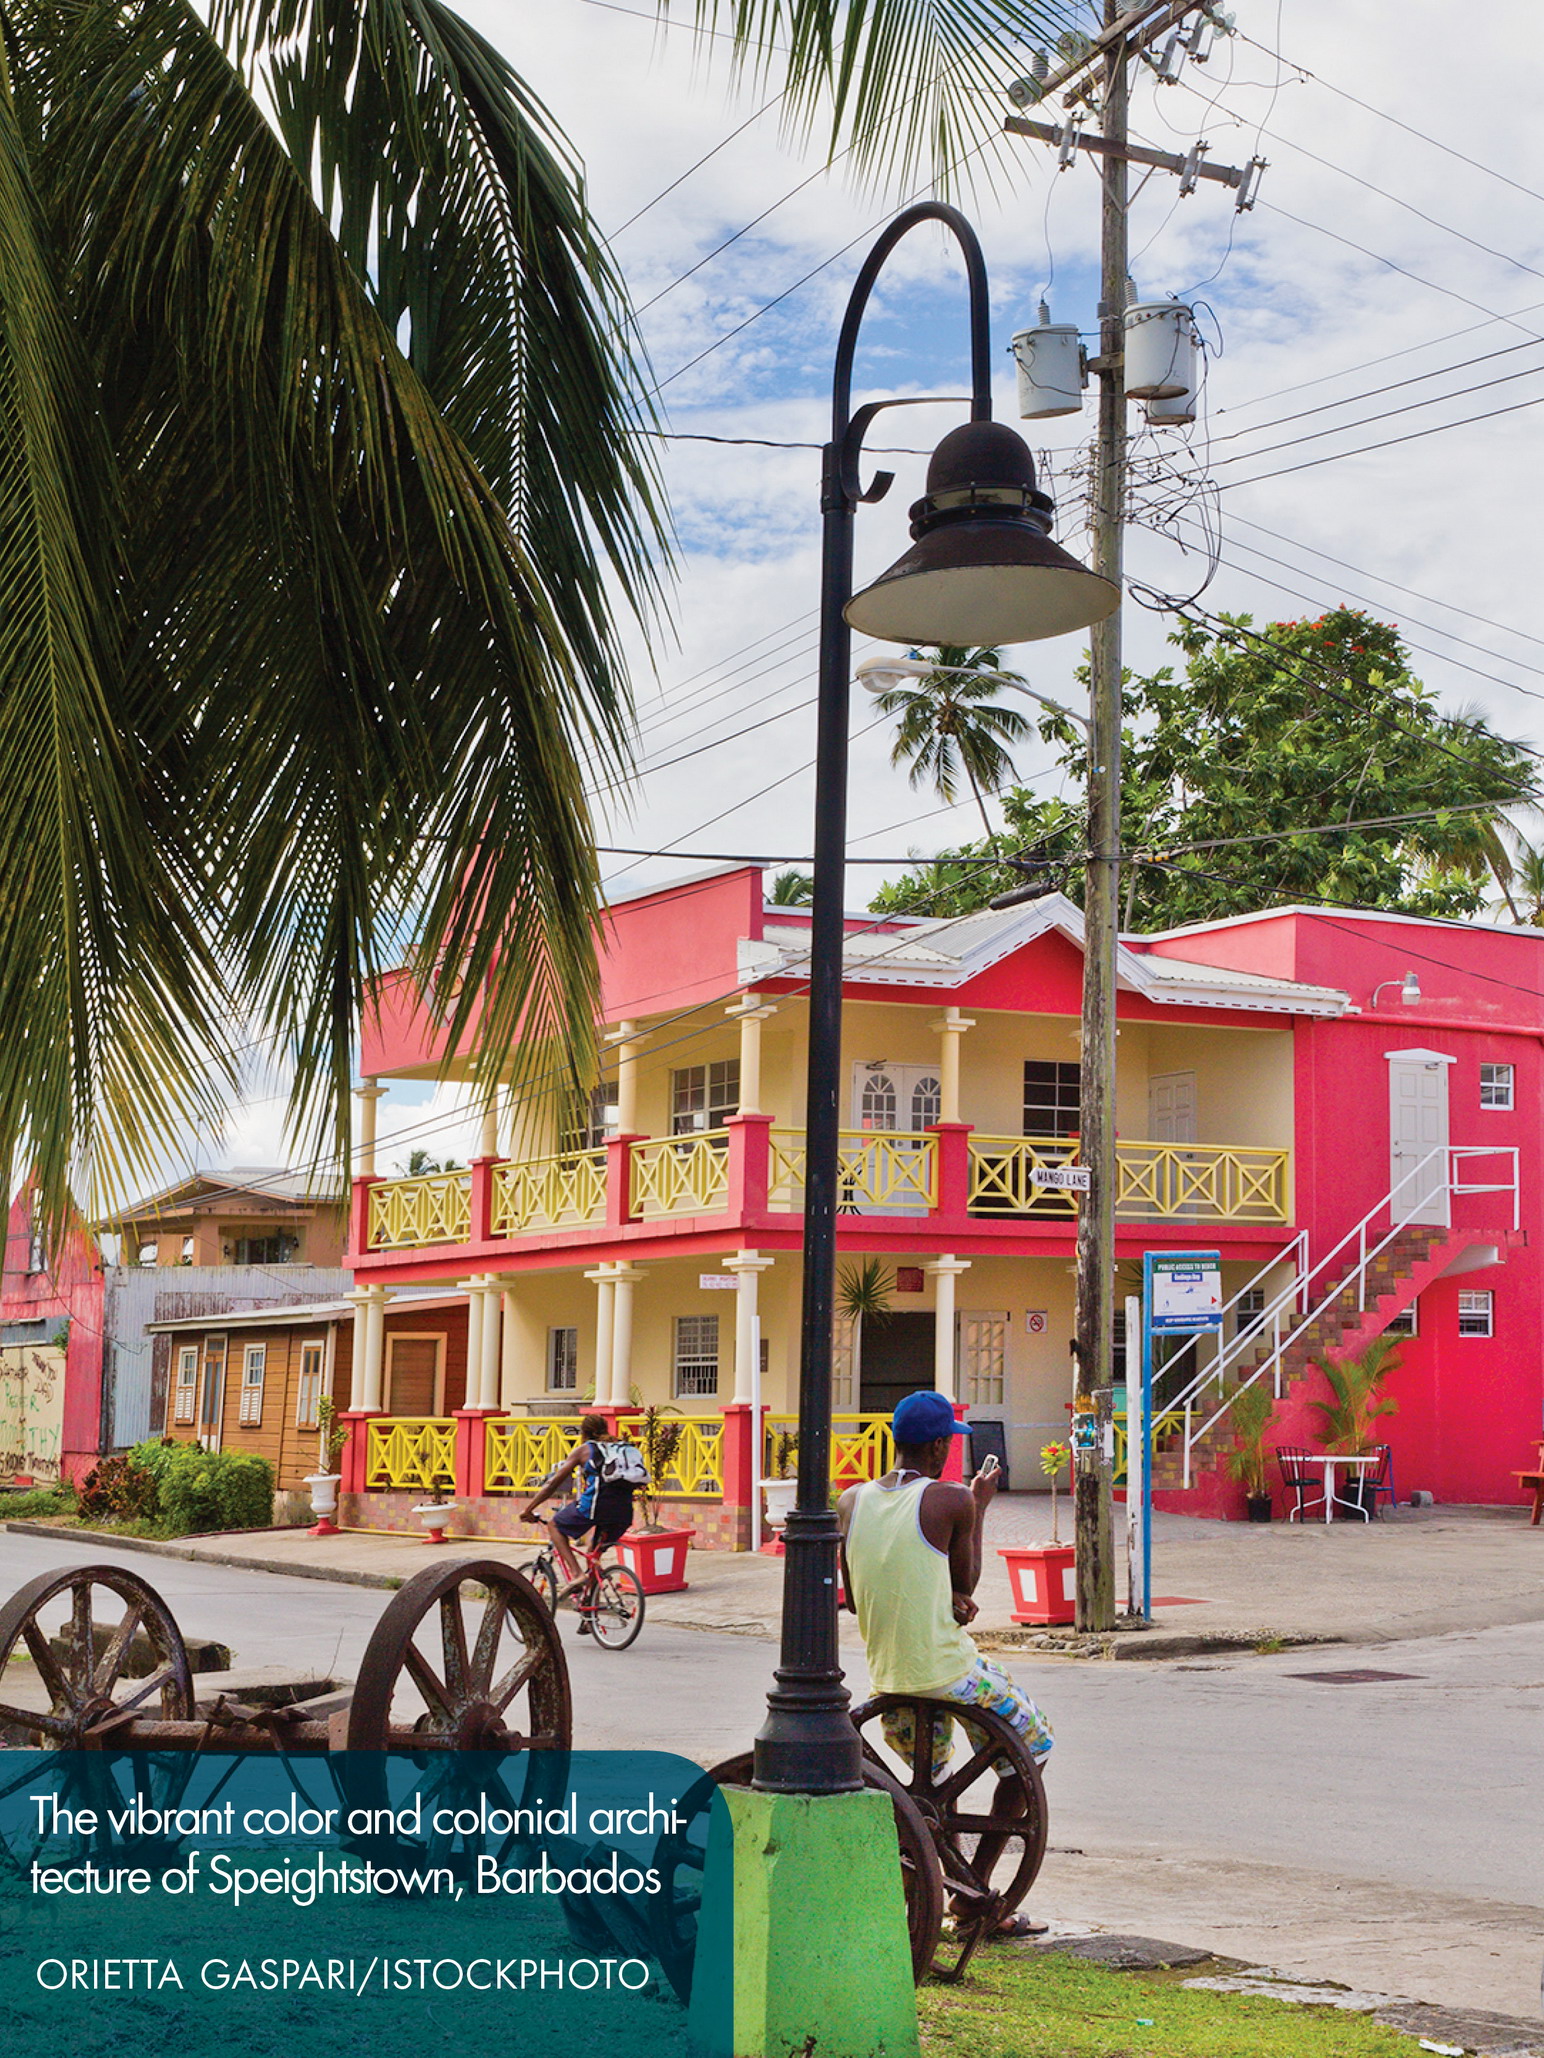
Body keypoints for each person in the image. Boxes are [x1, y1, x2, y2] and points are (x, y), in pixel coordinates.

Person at [837, 1387, 1053, 1939]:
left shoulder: (852, 1502)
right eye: (948, 1445)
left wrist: (941, 1599)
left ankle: (949, 1886)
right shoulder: (951, 1498)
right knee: (1034, 1743)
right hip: (949, 1671)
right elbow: (967, 1581)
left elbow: (860, 1598)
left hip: (888, 1675)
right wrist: (980, 1506)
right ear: (937, 1447)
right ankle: (976, 1892)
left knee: (930, 1782)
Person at [521, 1414, 637, 1626]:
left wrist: (529, 1509)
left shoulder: (585, 1450)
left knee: (556, 1525)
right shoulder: (622, 1448)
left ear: (584, 1432)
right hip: (623, 1513)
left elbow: (553, 1483)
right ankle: (588, 1613)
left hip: (594, 1507)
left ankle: (575, 1574)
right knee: (593, 1555)